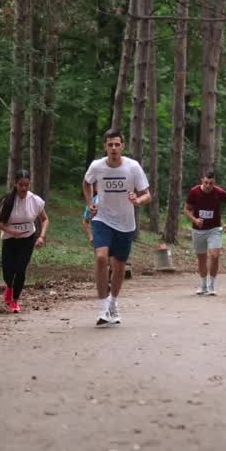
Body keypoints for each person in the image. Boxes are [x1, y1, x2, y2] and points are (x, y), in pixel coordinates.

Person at [82, 128, 151, 326]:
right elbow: (86, 183)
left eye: (117, 144)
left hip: (125, 223)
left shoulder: (133, 167)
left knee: (119, 266)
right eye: (110, 144)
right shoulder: (97, 166)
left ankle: (113, 303)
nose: (113, 148)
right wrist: (89, 203)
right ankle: (103, 307)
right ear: (105, 146)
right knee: (101, 257)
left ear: (122, 146)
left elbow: (147, 194)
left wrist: (137, 200)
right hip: (102, 219)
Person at [0, 169, 50, 314]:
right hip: (9, 239)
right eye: (21, 185)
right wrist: (11, 232)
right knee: (8, 272)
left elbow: (45, 219)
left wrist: (41, 236)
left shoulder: (35, 200)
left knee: (20, 270)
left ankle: (14, 300)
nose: (24, 188)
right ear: (15, 184)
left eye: (26, 185)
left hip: (27, 240)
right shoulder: (7, 201)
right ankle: (9, 287)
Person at [184, 170, 226, 296]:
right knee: (201, 258)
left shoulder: (219, 192)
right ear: (202, 180)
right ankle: (203, 285)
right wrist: (195, 220)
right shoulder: (194, 192)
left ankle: (211, 285)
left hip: (214, 229)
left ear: (214, 183)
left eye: (211, 183)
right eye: (206, 182)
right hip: (198, 230)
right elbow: (186, 210)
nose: (208, 186)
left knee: (214, 255)